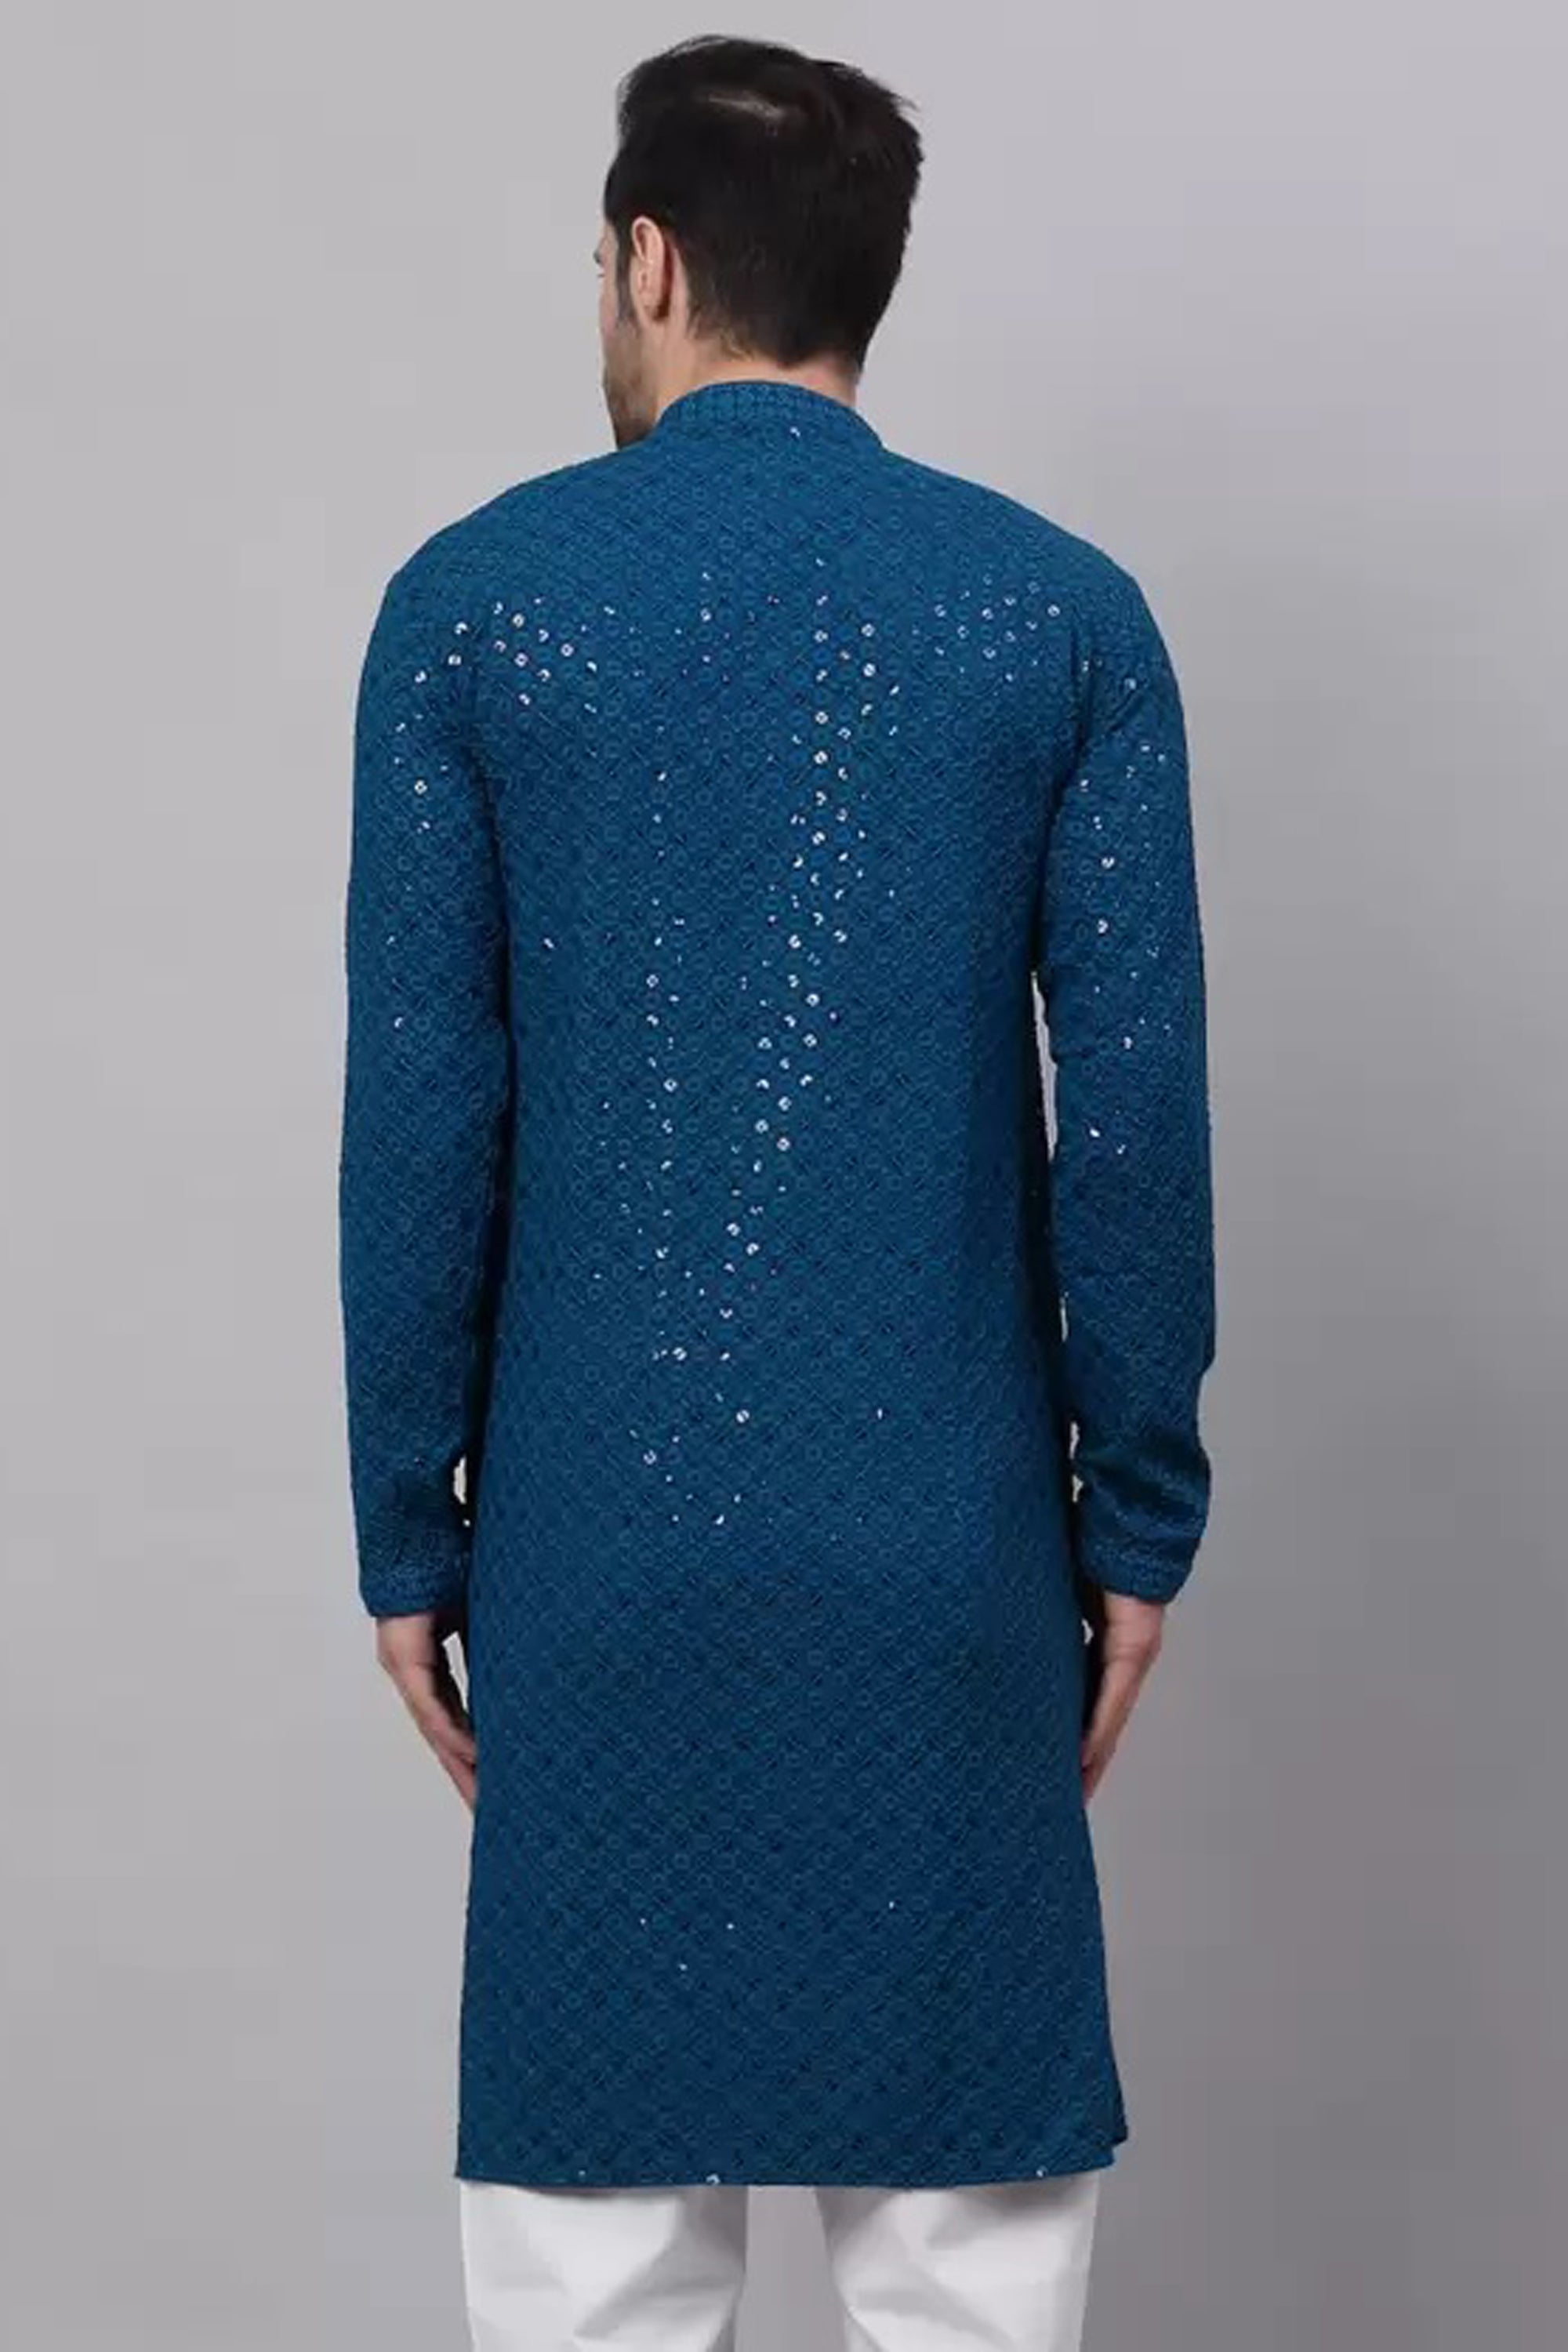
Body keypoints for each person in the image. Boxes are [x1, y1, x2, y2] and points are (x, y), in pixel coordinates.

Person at [338, 33, 1215, 2351]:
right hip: (953, 1567)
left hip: (592, 1566)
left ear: (649, 262)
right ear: (866, 280)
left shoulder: (473, 606)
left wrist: (408, 1532)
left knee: (593, 2281)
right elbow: (1134, 1116)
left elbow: (425, 1107)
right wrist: (1136, 1525)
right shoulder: (1061, 614)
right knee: (969, 2285)